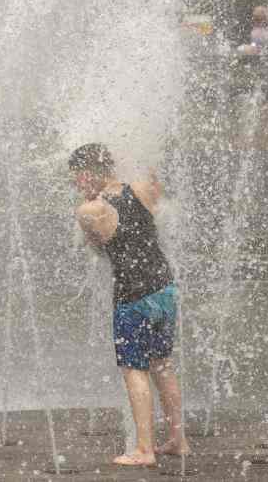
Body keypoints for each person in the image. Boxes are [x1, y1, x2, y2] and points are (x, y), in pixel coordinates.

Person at [69, 143, 188, 467]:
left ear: (87, 173)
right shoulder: (140, 189)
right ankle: (178, 440)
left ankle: (144, 450)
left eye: (76, 177)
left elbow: (97, 248)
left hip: (132, 297)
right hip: (164, 288)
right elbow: (156, 194)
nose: (76, 184)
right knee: (162, 366)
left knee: (135, 370)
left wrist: (88, 214)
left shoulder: (89, 210)